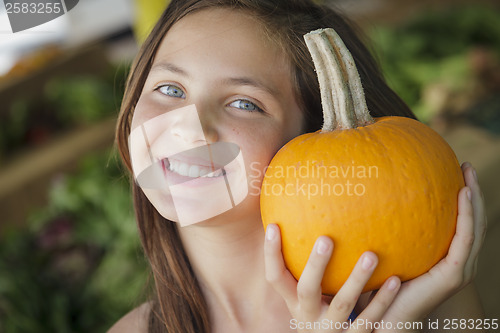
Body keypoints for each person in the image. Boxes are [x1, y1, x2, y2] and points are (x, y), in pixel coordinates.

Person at [109, 0, 487, 332]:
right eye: (170, 89)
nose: (190, 128)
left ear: (311, 138)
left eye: (245, 103)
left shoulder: (416, 286)